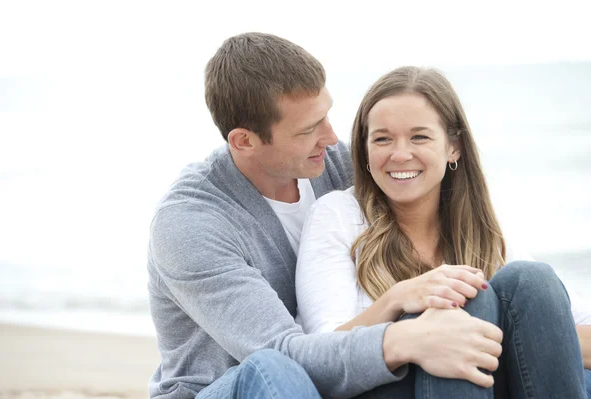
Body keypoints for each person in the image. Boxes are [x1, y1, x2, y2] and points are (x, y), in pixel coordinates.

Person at [148, 32, 429, 399]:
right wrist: (396, 326)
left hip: (329, 381)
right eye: (308, 129)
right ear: (244, 142)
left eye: (326, 116)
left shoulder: (338, 167)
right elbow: (283, 353)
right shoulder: (189, 224)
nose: (330, 138)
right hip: (231, 388)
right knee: (273, 369)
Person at [296, 66, 591, 397]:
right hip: (386, 389)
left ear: (454, 147)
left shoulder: (479, 229)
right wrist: (398, 299)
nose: (400, 153)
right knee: (466, 302)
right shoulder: (338, 215)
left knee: (530, 279)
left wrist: (513, 333)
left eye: (419, 136)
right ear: (364, 150)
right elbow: (321, 356)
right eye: (382, 139)